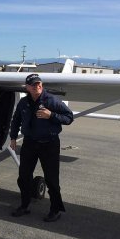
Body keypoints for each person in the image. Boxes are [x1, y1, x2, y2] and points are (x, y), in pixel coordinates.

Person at [10, 73, 73, 222]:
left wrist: (51, 115)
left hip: (49, 144)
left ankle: (55, 209)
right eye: (33, 84)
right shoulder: (24, 102)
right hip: (30, 143)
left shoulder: (51, 100)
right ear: (27, 87)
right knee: (24, 177)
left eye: (39, 83)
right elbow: (16, 119)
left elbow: (69, 117)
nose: (37, 86)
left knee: (52, 180)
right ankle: (24, 206)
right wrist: (13, 137)